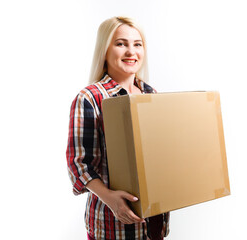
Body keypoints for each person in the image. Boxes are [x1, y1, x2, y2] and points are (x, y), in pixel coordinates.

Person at [66, 16, 170, 240]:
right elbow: (79, 165)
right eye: (121, 43)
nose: (131, 52)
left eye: (137, 44)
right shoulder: (90, 98)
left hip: (153, 225)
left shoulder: (152, 95)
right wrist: (111, 198)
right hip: (113, 227)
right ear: (105, 49)